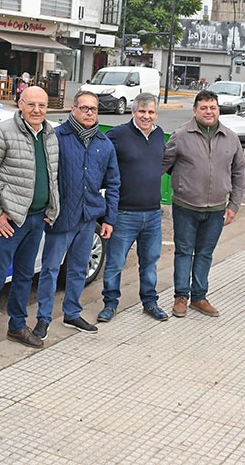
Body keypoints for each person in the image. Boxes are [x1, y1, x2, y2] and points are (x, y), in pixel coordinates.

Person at [0, 86, 59, 360]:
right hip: (10, 221)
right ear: (20, 105)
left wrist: (50, 207)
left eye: (42, 105)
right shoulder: (2, 132)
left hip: (36, 220)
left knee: (24, 276)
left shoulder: (50, 134)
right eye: (31, 104)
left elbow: (51, 176)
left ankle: (17, 326)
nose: (37, 110)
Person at [34, 91, 120, 339]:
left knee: (79, 268)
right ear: (74, 110)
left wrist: (109, 219)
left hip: (89, 217)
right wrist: (47, 209)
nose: (90, 113)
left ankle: (72, 312)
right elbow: (46, 176)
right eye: (84, 108)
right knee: (50, 270)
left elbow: (113, 184)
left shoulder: (104, 144)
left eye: (94, 109)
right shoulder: (56, 137)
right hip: (60, 217)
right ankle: (43, 318)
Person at [163, 90, 245, 318]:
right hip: (185, 207)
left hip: (217, 209)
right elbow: (164, 164)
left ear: (218, 110)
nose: (208, 112)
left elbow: (239, 174)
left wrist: (234, 205)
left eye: (213, 108)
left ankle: (199, 297)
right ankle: (181, 296)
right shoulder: (181, 136)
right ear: (195, 111)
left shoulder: (231, 138)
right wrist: (183, 183)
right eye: (204, 108)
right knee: (183, 252)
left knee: (205, 254)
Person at [99, 93, 168, 323]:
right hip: (124, 213)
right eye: (141, 111)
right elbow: (102, 163)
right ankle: (110, 304)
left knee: (149, 262)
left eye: (150, 112)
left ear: (156, 114)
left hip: (153, 214)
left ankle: (150, 302)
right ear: (133, 111)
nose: (146, 116)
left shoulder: (159, 135)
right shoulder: (117, 135)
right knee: (115, 263)